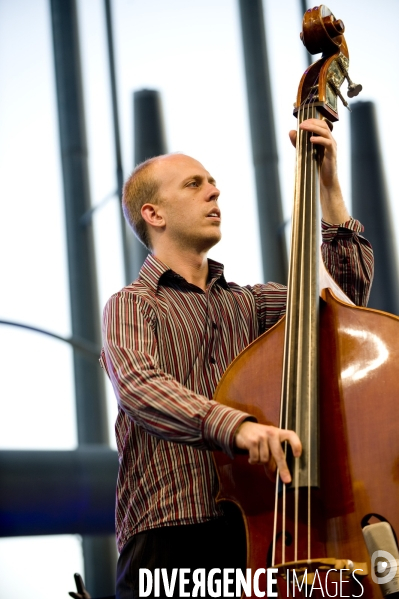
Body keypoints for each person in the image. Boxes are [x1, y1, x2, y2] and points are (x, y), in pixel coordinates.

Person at [100, 119, 374, 598]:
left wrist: (329, 187)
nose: (215, 191)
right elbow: (140, 386)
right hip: (169, 539)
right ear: (154, 214)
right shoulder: (132, 304)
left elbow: (343, 302)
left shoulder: (248, 304)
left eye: (213, 182)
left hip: (255, 532)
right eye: (195, 184)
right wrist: (240, 427)